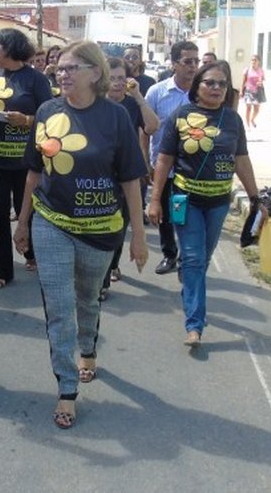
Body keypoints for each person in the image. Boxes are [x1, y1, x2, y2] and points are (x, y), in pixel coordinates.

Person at [13, 40, 148, 429]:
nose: (63, 73)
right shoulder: (46, 111)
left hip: (101, 230)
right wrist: (22, 222)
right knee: (59, 306)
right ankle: (67, 387)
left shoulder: (116, 116)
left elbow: (130, 181)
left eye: (73, 67)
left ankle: (88, 348)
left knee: (87, 299)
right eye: (60, 67)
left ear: (95, 73)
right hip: (52, 221)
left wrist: (138, 236)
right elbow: (35, 172)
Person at [148, 60, 266, 346]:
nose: (216, 88)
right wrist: (154, 200)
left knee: (202, 257)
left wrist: (255, 197)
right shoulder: (181, 115)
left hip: (218, 203)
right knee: (193, 257)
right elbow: (164, 160)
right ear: (197, 87)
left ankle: (190, 290)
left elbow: (241, 160)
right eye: (209, 83)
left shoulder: (232, 120)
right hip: (185, 200)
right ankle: (194, 324)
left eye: (222, 84)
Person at [0, 28, 52, 289]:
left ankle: (32, 253)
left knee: (30, 213)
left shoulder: (36, 80)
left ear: (11, 49)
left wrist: (26, 121)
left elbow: (50, 117)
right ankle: (2, 269)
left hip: (28, 163)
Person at [100, 57, 159, 299]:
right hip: (101, 174)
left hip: (127, 175)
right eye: (111, 78)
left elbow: (153, 127)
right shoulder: (94, 104)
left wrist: (138, 97)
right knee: (103, 226)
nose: (116, 83)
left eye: (121, 78)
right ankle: (101, 282)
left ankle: (113, 263)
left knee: (119, 227)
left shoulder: (132, 104)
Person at [145, 40, 199, 275]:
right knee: (165, 213)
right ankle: (169, 254)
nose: (194, 66)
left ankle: (188, 259)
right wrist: (146, 161)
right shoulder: (157, 92)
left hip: (192, 168)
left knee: (186, 214)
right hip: (163, 166)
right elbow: (144, 128)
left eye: (196, 61)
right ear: (174, 63)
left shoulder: (201, 93)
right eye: (188, 61)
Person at [241, 54, 265, 128]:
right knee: (248, 108)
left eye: (255, 60)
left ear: (258, 62)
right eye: (252, 60)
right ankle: (248, 125)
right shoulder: (247, 70)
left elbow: (263, 79)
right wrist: (241, 91)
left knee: (257, 109)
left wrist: (260, 82)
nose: (253, 61)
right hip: (248, 91)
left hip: (257, 91)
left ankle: (252, 119)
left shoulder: (261, 70)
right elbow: (243, 81)